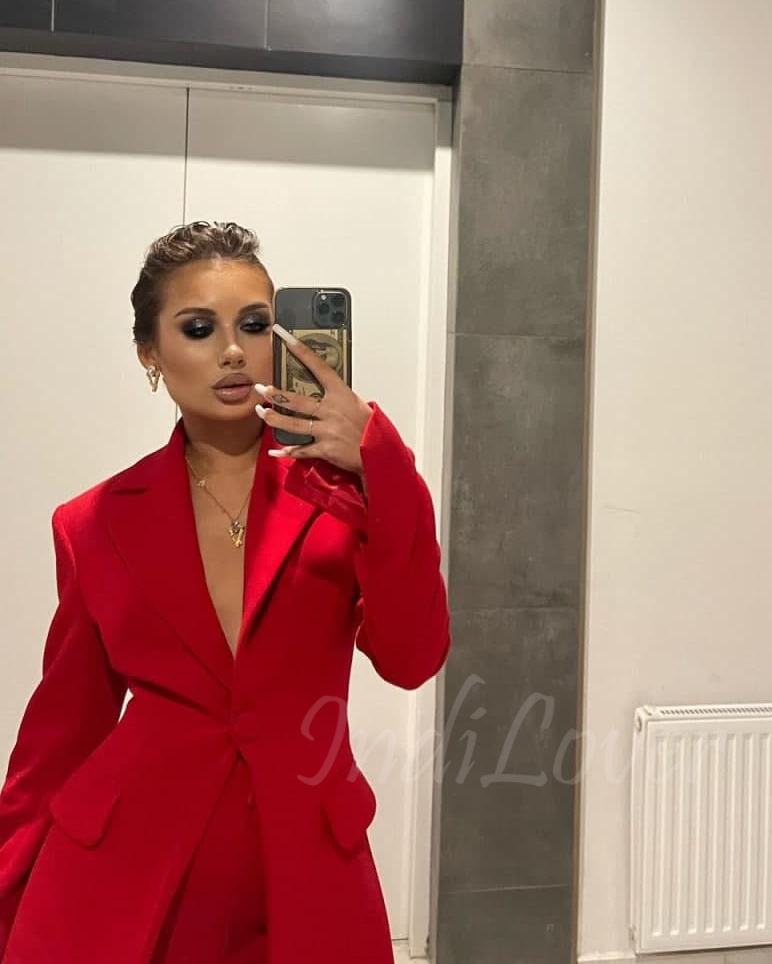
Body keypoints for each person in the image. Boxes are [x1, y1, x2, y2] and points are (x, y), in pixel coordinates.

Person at [0, 221, 450, 964]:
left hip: (307, 863)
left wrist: (382, 464)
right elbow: (62, 734)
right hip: (132, 871)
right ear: (150, 353)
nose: (234, 350)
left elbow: (412, 657)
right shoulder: (93, 523)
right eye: (198, 328)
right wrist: (8, 890)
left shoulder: (348, 495)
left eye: (256, 324)